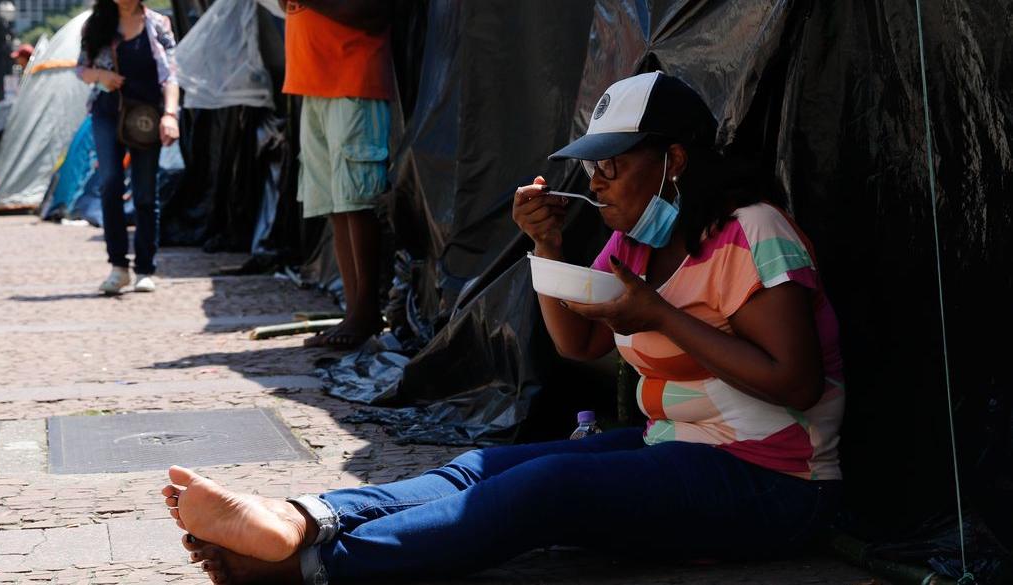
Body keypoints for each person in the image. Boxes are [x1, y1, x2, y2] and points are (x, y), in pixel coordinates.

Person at [159, 71, 847, 584]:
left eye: (615, 162)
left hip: (776, 484)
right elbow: (578, 344)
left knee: (545, 489)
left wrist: (662, 316)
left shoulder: (750, 231)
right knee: (478, 465)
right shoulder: (634, 241)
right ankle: (303, 516)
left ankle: (307, 567)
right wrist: (546, 248)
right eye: (593, 163)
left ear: (674, 161)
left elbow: (797, 379)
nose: (597, 179)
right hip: (672, 443)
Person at [285, 0, 395, 349]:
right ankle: (355, 310)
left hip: (353, 78)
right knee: (336, 203)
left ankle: (365, 312)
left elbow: (373, 13)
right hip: (312, 81)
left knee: (357, 202)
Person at [75, 0, 179, 294]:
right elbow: (81, 69)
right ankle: (118, 266)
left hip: (146, 115)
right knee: (110, 184)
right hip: (107, 112)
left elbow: (171, 74)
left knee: (146, 192)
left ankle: (145, 268)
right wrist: (101, 76)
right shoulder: (95, 24)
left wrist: (170, 115)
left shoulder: (158, 24)